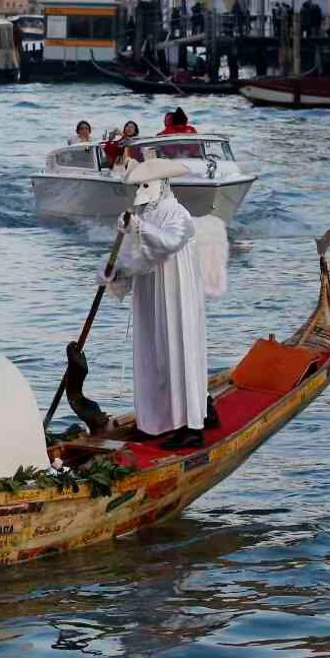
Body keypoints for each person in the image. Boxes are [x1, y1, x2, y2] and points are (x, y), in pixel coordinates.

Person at [99, 160, 225, 450]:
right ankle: (154, 421)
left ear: (161, 185)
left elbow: (169, 242)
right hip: (150, 292)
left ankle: (192, 426)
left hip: (176, 293)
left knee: (179, 352)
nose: (140, 192)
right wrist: (112, 270)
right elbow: (134, 254)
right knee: (152, 353)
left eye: (145, 185)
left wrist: (139, 227)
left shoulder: (177, 214)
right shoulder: (142, 214)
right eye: (138, 186)